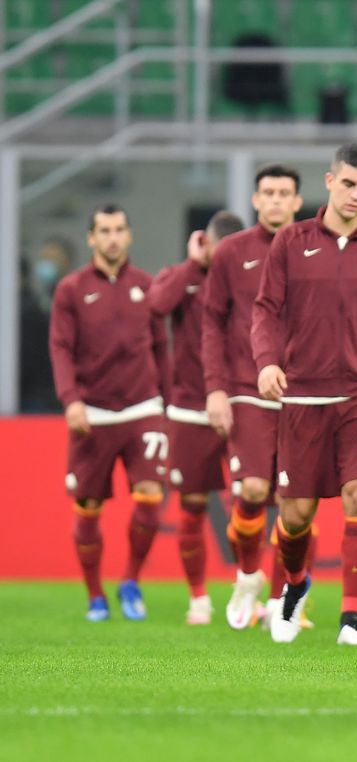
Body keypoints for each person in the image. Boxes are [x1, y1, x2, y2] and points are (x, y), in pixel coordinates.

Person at [252, 143, 357, 646]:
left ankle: (351, 620)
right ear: (329, 182)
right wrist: (268, 362)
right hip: (303, 396)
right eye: (349, 184)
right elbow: (267, 310)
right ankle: (295, 585)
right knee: (294, 516)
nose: (356, 195)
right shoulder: (292, 242)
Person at [49, 204, 169, 622]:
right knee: (87, 507)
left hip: (143, 407)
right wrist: (71, 400)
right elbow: (60, 348)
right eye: (104, 230)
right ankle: (95, 595)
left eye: (119, 229)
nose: (113, 237)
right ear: (91, 238)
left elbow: (161, 348)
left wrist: (166, 401)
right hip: (93, 413)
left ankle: (131, 580)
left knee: (151, 496)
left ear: (129, 235)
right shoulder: (71, 289)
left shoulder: (145, 285)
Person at [203, 164, 308, 631]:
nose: (276, 201)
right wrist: (216, 390)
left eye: (285, 193)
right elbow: (211, 323)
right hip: (247, 390)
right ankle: (248, 574)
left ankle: (288, 595)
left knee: (297, 503)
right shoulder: (231, 252)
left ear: (298, 201)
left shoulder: (315, 248)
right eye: (268, 192)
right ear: (255, 199)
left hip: (305, 394)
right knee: (251, 490)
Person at [147, 210, 245, 626]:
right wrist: (191, 264)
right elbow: (156, 305)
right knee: (190, 505)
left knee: (252, 502)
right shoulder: (183, 278)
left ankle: (250, 588)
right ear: (207, 246)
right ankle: (199, 598)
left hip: (242, 403)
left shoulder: (250, 279)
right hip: (190, 407)